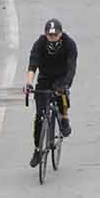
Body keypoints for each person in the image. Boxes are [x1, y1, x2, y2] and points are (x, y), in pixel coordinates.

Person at [24, 19, 77, 168]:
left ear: (61, 34)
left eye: (55, 35)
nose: (52, 38)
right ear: (45, 34)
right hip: (45, 78)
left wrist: (65, 84)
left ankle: (64, 117)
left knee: (62, 95)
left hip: (61, 77)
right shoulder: (40, 44)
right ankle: (37, 149)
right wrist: (29, 84)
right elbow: (32, 65)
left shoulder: (69, 44)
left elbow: (71, 68)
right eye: (50, 35)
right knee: (39, 117)